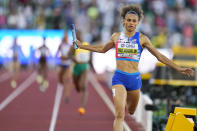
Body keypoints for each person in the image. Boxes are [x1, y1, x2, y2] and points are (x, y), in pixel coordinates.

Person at [74, 4, 194, 131]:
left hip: (134, 80)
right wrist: (82, 46)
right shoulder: (116, 37)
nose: (131, 23)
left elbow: (160, 56)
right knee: (119, 115)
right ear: (124, 21)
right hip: (119, 78)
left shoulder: (142, 39)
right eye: (129, 20)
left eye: (134, 21)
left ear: (137, 23)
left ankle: (127, 101)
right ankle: (121, 101)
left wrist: (179, 68)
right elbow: (102, 49)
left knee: (131, 110)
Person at [72, 31, 91, 114]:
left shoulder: (86, 44)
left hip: (85, 67)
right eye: (76, 36)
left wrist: (91, 65)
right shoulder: (74, 46)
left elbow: (90, 56)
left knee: (84, 87)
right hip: (76, 67)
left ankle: (82, 107)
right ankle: (76, 84)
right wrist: (73, 58)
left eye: (79, 35)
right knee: (78, 87)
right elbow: (69, 55)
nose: (78, 37)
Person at [56, 31, 73, 103]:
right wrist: (60, 57)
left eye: (66, 36)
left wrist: (67, 57)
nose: (65, 37)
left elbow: (72, 56)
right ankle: (64, 88)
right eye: (64, 36)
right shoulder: (61, 45)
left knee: (67, 80)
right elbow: (56, 54)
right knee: (60, 80)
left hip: (68, 65)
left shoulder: (70, 46)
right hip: (62, 65)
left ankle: (67, 96)